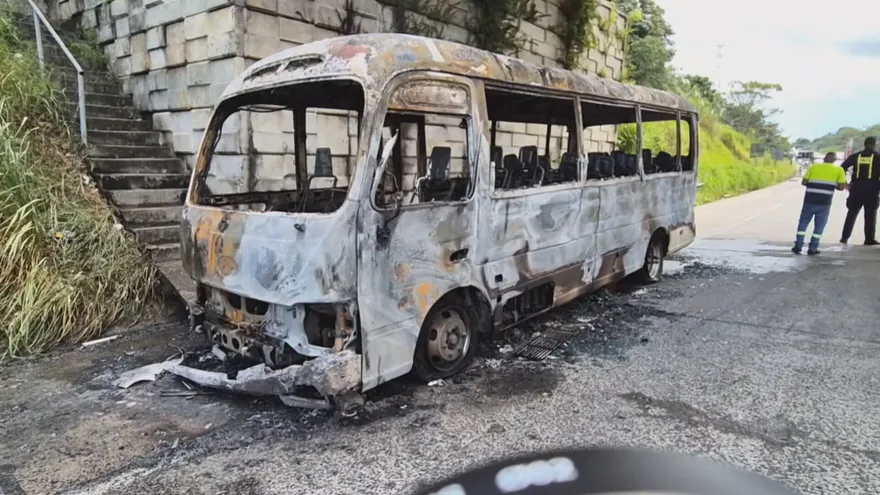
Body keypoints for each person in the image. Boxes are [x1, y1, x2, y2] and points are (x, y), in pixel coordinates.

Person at [792, 152, 847, 255]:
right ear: (834, 160)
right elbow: (841, 187)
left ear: (824, 158)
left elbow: (804, 182)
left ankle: (798, 245)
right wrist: (832, 185)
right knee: (819, 225)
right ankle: (813, 248)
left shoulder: (814, 167)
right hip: (825, 202)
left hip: (809, 200)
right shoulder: (839, 170)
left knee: (803, 222)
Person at [840, 136, 880, 245]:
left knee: (852, 213)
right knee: (870, 215)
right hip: (872, 188)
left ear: (865, 144)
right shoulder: (878, 157)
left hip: (856, 188)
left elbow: (842, 168)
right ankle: (869, 239)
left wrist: (845, 183)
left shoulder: (856, 156)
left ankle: (844, 237)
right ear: (874, 144)